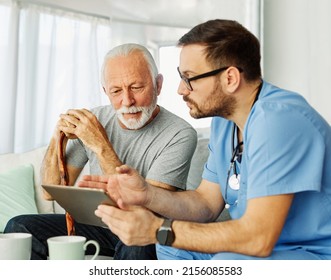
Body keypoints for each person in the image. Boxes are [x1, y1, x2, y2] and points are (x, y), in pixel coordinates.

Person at [79, 19, 331, 260]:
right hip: (263, 248)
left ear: (230, 78)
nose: (180, 89)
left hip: (310, 253)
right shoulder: (225, 122)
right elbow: (206, 204)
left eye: (189, 77)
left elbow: (258, 238)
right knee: (169, 248)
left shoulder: (279, 121)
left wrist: (157, 228)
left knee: (225, 258)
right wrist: (147, 195)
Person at [4, 43, 197, 260]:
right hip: (98, 225)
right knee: (19, 226)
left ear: (158, 85)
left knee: (137, 242)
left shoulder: (180, 133)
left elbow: (142, 208)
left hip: (142, 226)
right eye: (116, 91)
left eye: (136, 87)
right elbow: (51, 191)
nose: (127, 101)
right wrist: (56, 136)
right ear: (106, 91)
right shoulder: (94, 119)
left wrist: (100, 144)